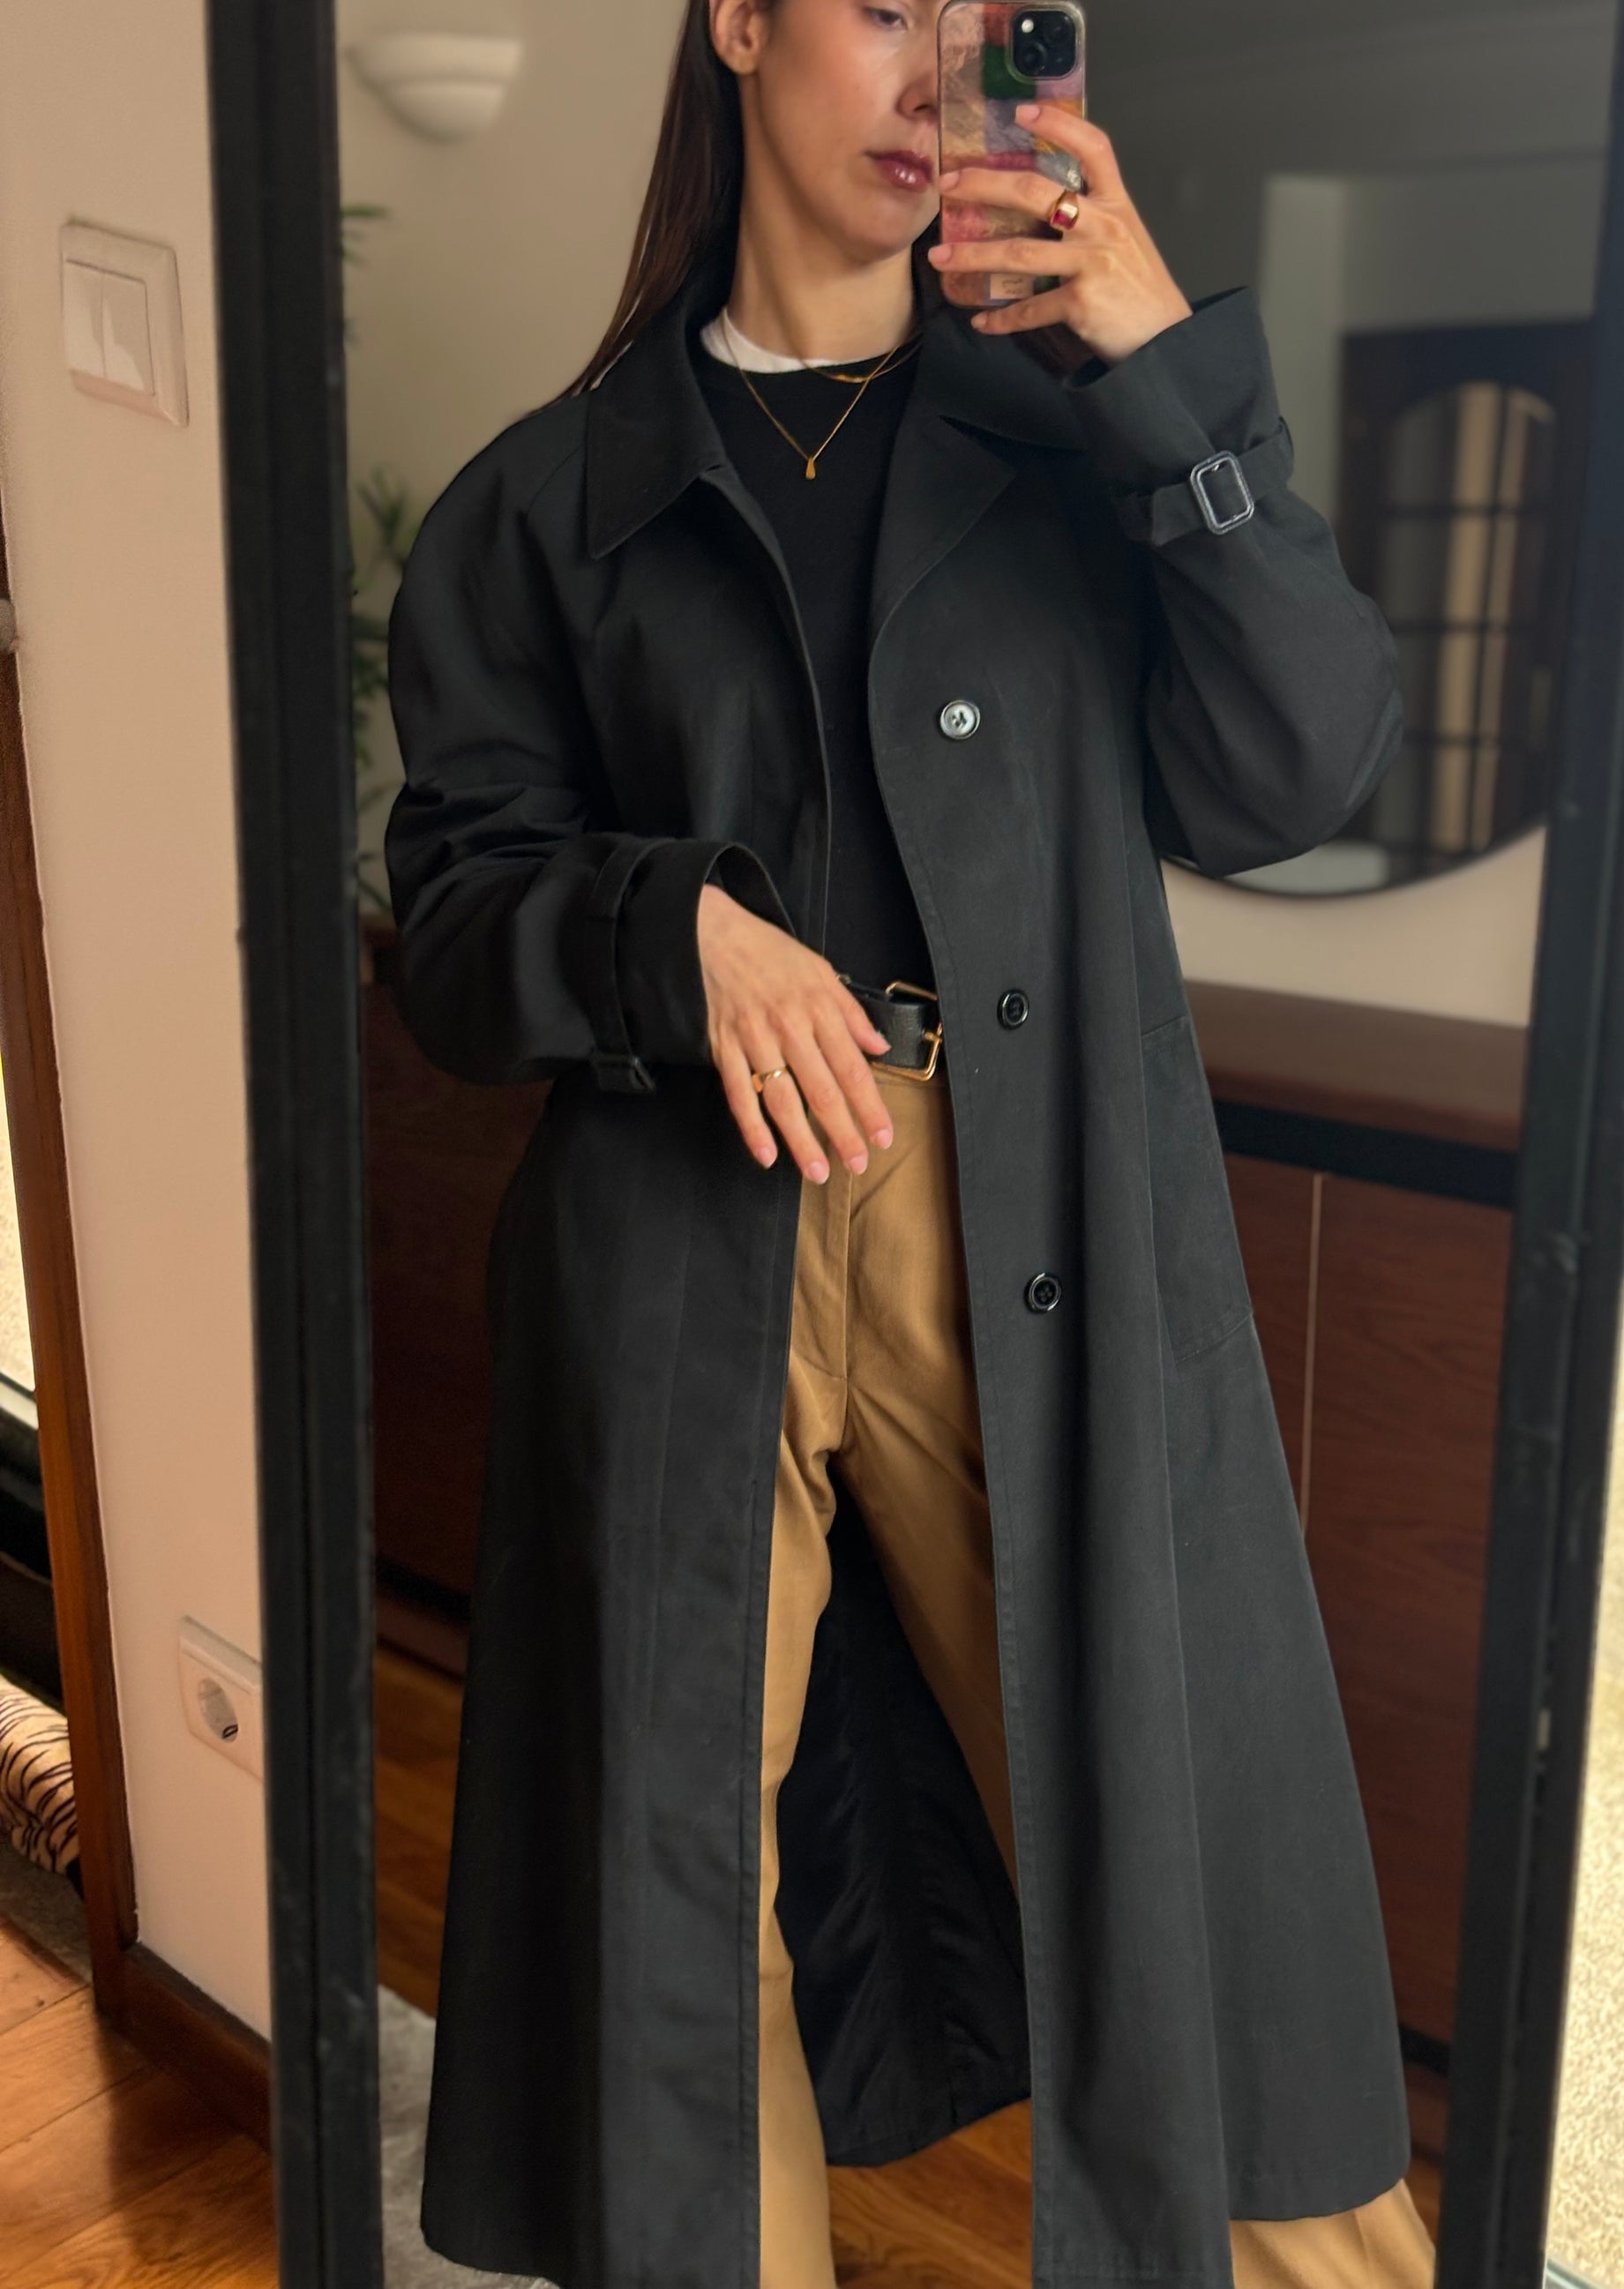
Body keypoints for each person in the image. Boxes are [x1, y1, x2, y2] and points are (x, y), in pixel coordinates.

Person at [382, 4, 1439, 2286]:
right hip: (684, 1242)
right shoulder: (547, 501)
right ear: (740, 23)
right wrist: (669, 933)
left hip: (1024, 1210)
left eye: (986, 21)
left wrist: (1162, 369)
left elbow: (1300, 765)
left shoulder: (1081, 449)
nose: (938, 70)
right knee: (675, 1907)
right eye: (886, 8)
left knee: (1178, 1859)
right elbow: (453, 929)